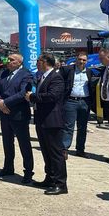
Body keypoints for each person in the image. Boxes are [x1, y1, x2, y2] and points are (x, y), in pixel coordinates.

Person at [25, 53, 67, 195]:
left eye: (38, 61)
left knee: (56, 153)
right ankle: (50, 178)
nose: (36, 63)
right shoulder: (42, 76)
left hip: (52, 120)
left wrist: (32, 97)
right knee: (46, 151)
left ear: (45, 62)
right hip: (42, 119)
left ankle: (61, 184)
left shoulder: (56, 77)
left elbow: (52, 96)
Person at [0, 54, 34, 184]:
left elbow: (23, 93)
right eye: (8, 59)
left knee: (24, 143)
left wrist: (6, 103)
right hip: (4, 113)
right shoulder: (3, 73)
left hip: (18, 113)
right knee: (7, 142)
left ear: (19, 62)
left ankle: (28, 172)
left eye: (11, 60)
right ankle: (8, 167)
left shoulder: (26, 74)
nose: (8, 61)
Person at [59, 51, 94, 158]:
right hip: (70, 101)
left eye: (84, 60)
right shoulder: (68, 70)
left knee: (82, 127)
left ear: (87, 61)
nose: (81, 62)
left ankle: (80, 150)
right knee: (68, 126)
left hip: (84, 102)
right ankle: (64, 149)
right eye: (80, 59)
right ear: (76, 59)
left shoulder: (89, 72)